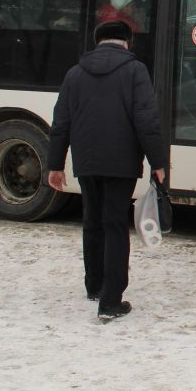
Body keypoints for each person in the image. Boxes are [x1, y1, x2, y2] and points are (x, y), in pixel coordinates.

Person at [47, 20, 167, 322]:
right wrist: (158, 162)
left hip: (86, 161)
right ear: (127, 41)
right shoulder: (135, 71)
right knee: (115, 225)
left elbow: (61, 121)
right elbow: (146, 120)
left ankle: (94, 285)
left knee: (92, 221)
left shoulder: (74, 73)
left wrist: (55, 165)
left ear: (98, 41)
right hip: (122, 162)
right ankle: (111, 301)